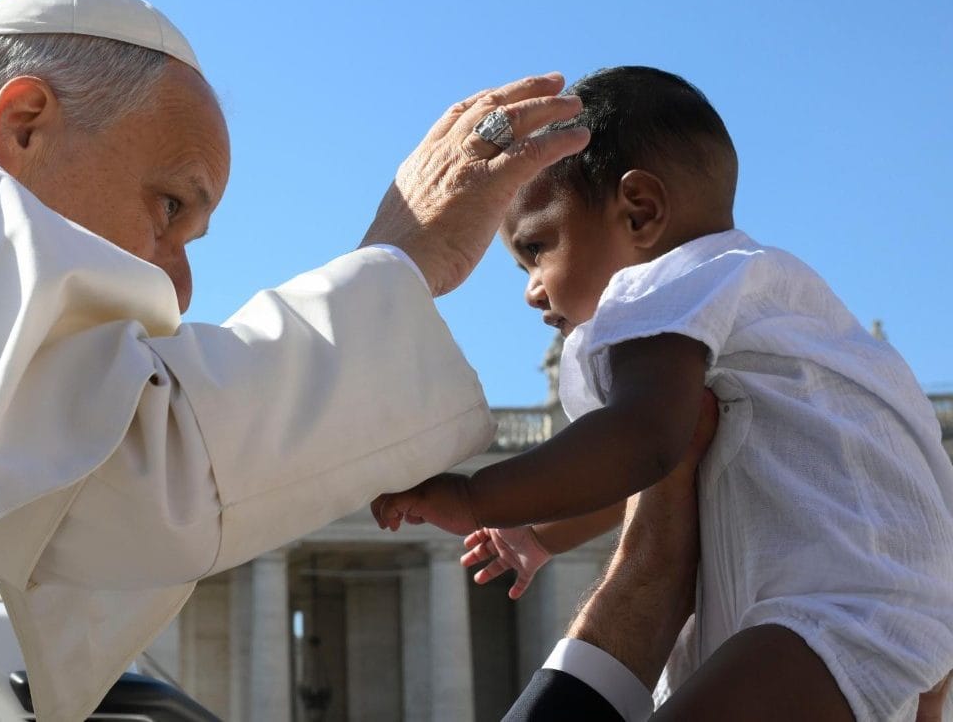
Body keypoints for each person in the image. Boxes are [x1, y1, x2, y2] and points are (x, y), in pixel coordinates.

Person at [0, 0, 591, 722]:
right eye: (169, 208)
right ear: (23, 124)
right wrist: (406, 260)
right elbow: (142, 479)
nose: (179, 282)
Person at [372, 66, 953, 720]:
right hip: (878, 614)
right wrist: (538, 534)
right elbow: (636, 469)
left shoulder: (667, 290)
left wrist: (477, 495)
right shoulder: (773, 302)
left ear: (639, 212)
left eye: (537, 249)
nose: (532, 288)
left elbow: (641, 444)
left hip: (826, 622)